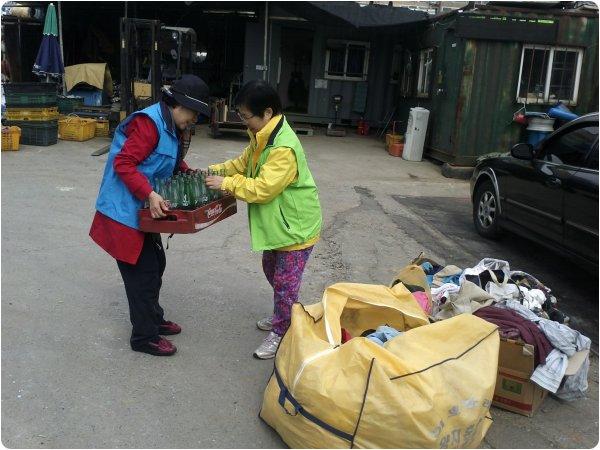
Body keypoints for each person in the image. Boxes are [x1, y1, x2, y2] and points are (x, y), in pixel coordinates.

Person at [90, 75, 210, 356]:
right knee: (142, 275)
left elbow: (169, 159)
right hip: (122, 212)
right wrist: (149, 194)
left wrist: (189, 174)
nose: (193, 120)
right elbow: (124, 162)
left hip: (144, 211)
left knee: (156, 263)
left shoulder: (170, 126)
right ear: (179, 105)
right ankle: (144, 337)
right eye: (193, 113)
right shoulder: (149, 123)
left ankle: (154, 318)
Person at [206, 80, 322, 359]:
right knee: (273, 271)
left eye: (247, 116)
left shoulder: (283, 147)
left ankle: (283, 331)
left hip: (296, 227)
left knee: (284, 283)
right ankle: (286, 311)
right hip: (278, 225)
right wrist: (213, 170)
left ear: (267, 113)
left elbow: (263, 189)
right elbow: (242, 163)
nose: (244, 121)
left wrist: (226, 184)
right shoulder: (262, 135)